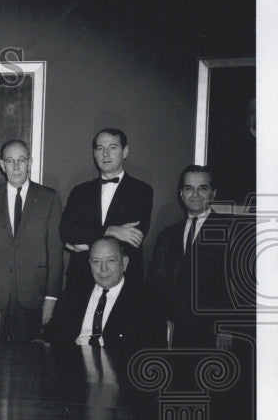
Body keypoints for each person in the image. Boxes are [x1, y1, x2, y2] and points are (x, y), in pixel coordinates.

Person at [0, 140, 63, 341]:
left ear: (30, 162)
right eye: (10, 161)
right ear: (2, 165)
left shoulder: (49, 198)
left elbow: (55, 252)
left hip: (33, 295)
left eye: (21, 160)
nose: (17, 166)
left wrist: (51, 298)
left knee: (28, 362)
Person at [147, 165, 239, 349]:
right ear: (181, 194)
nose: (195, 194)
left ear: (213, 193)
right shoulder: (168, 235)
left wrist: (228, 327)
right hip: (176, 330)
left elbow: (238, 284)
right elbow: (156, 283)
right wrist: (162, 322)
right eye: (189, 188)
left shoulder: (232, 231)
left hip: (214, 333)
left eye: (202, 188)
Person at [59, 127, 153, 292]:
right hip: (81, 278)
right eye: (100, 148)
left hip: (123, 282)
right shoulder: (79, 191)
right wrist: (111, 230)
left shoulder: (142, 190)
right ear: (94, 154)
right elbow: (67, 231)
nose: (105, 154)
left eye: (113, 147)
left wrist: (86, 244)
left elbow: (133, 238)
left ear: (125, 151)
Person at [41, 236, 157, 353]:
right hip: (71, 363)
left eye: (110, 260)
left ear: (124, 262)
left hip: (118, 367)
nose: (103, 268)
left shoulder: (145, 301)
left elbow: (150, 353)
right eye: (96, 261)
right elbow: (51, 334)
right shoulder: (75, 292)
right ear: (90, 264)